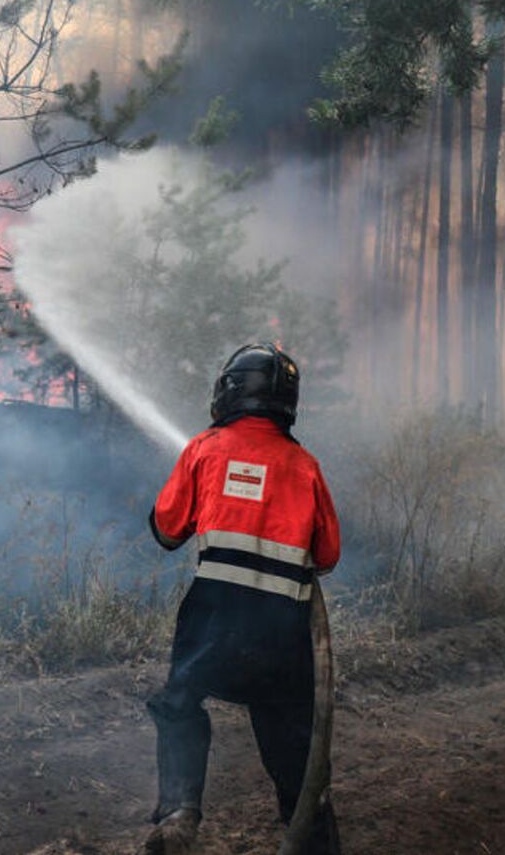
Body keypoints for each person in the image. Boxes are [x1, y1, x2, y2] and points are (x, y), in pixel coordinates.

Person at [142, 343, 342, 855]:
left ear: (230, 390)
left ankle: (180, 810)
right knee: (296, 752)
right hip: (284, 629)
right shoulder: (305, 466)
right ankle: (312, 840)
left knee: (180, 702)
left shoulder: (204, 449)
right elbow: (327, 555)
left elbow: (167, 529)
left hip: (214, 617)